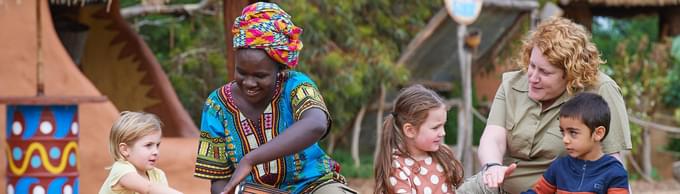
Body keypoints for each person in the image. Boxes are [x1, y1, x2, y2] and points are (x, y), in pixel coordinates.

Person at [456, 17, 632, 194]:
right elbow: (493, 137)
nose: (532, 77)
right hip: (498, 186)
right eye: (532, 66)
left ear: (571, 74)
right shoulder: (512, 84)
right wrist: (493, 166)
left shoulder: (600, 90)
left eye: (545, 72)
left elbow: (612, 163)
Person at [193, 2, 354, 194]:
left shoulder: (296, 85)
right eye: (241, 72)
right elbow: (219, 181)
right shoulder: (216, 105)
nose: (249, 83)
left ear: (280, 69)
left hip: (312, 186)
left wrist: (250, 159)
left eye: (260, 76)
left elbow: (316, 123)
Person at [522, 93, 629, 194]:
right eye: (563, 132)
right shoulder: (559, 167)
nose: (565, 139)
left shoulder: (614, 172)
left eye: (573, 133)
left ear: (598, 133)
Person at [373, 84, 465, 194]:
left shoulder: (443, 155)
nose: (443, 133)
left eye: (443, 125)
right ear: (410, 130)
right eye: (435, 127)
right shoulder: (398, 167)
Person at [99, 111, 183, 194]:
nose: (156, 152)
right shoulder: (121, 169)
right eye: (148, 145)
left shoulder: (158, 175)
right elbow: (147, 188)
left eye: (157, 145)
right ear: (125, 150)